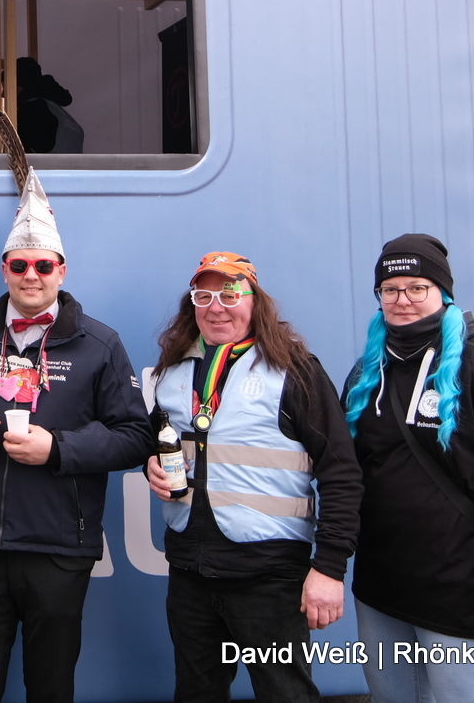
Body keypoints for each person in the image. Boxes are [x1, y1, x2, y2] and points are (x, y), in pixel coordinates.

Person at [0, 170, 152, 703]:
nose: (31, 276)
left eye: (43, 266)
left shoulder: (100, 344)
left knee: (51, 688)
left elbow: (136, 435)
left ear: (61, 271)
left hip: (58, 549)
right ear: (4, 270)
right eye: (19, 265)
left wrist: (58, 449)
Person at [342, 234, 474, 703]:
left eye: (417, 287)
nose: (402, 300)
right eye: (389, 289)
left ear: (443, 292)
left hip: (467, 591)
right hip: (383, 591)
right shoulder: (366, 374)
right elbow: (346, 474)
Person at [145, 251, 363, 703]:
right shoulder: (173, 370)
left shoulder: (294, 370)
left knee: (286, 696)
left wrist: (328, 568)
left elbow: (341, 472)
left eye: (230, 294)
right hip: (190, 572)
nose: (216, 307)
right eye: (204, 296)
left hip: (270, 579)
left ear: (255, 301)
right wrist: (151, 464)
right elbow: (156, 442)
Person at [15, 58, 83, 154]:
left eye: (4, 85)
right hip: (71, 163)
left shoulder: (32, 109)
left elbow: (24, 152)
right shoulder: (54, 109)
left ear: (18, 84)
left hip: (48, 163)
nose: (2, 94)